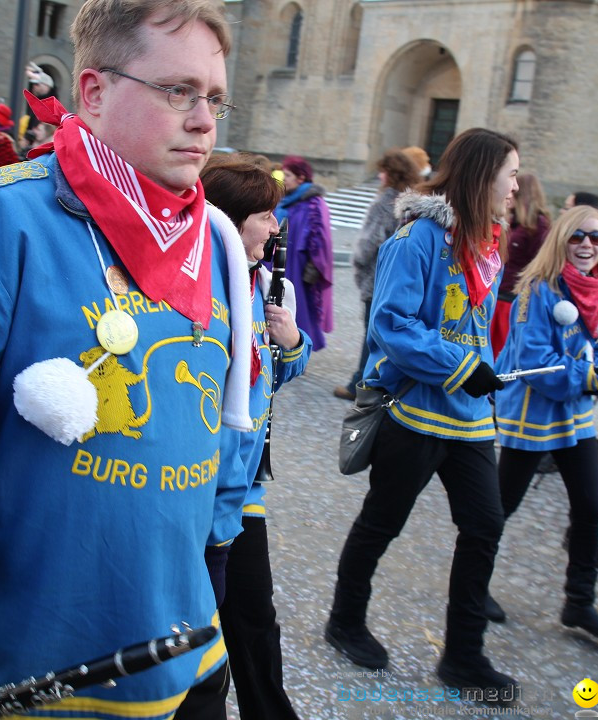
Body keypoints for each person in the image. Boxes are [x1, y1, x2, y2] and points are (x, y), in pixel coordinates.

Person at [0, 2, 252, 719]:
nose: (204, 120)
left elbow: (231, 413)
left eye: (214, 97)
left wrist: (214, 558)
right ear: (92, 93)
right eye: (178, 91)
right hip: (38, 674)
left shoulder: (213, 241)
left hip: (187, 653)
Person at [324, 128, 519, 695]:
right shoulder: (418, 239)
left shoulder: (488, 242)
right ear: (484, 176)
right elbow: (392, 325)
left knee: (485, 525)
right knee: (382, 522)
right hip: (413, 414)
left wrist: (486, 372)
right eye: (509, 175)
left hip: (471, 418)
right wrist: (461, 365)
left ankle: (462, 657)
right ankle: (345, 621)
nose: (514, 187)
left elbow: (476, 327)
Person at [200, 156, 309, 720]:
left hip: (244, 487)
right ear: (230, 219)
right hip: (194, 487)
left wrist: (291, 344)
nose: (275, 228)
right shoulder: (200, 286)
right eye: (265, 216)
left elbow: (275, 375)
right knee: (200, 623)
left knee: (254, 615)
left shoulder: (264, 283)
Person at [490, 205, 598, 641]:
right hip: (532, 414)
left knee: (590, 506)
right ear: (562, 240)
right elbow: (536, 364)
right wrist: (592, 377)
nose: (588, 245)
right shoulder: (536, 289)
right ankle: (472, 588)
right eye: (578, 236)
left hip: (575, 417)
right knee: (498, 509)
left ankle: (579, 603)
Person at [334, 148, 420, 400]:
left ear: (390, 174)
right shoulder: (413, 200)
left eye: (383, 171)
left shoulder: (387, 202)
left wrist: (358, 262)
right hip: (401, 278)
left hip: (379, 276)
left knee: (372, 333)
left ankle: (360, 384)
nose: (380, 176)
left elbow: (369, 241)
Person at [275, 155, 333, 349]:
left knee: (298, 309)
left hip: (298, 268)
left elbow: (321, 239)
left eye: (288, 175)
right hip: (277, 262)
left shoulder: (314, 204)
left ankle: (298, 347)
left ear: (301, 178)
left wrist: (313, 269)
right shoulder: (283, 200)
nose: (284, 179)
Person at [490, 172, 551, 358]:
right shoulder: (513, 222)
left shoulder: (538, 226)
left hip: (512, 299)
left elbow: (542, 266)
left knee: (499, 356)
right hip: (498, 295)